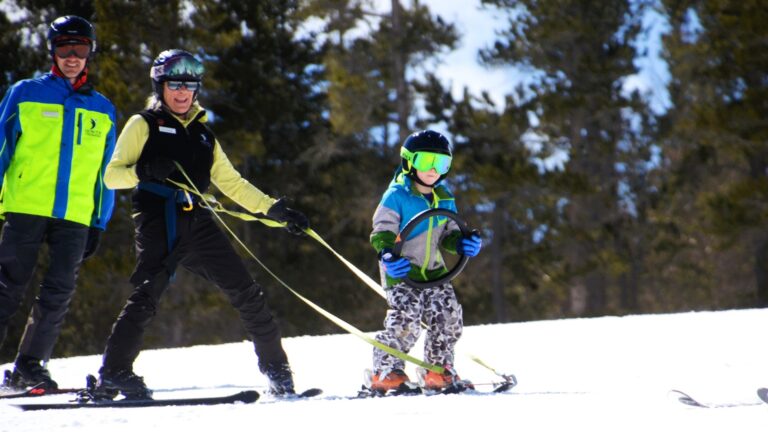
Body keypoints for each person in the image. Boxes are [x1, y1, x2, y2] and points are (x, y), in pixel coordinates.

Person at [96, 49, 309, 399]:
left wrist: (276, 211)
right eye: (174, 84)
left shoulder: (204, 136)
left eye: (189, 85)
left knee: (247, 291)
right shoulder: (143, 124)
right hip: (157, 218)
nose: (182, 92)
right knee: (148, 293)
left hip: (198, 220)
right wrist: (143, 171)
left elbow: (233, 184)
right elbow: (110, 177)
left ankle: (278, 372)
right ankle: (115, 372)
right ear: (160, 87)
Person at [0, 15, 116, 390]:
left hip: (76, 215)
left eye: (79, 48)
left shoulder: (102, 108)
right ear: (52, 50)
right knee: (8, 287)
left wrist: (99, 220)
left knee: (59, 291)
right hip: (26, 207)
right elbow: (2, 149)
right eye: (64, 47)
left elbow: (106, 172)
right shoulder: (25, 93)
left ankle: (30, 367)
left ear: (89, 53)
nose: (71, 56)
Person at [367, 130, 482, 392]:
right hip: (403, 272)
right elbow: (382, 232)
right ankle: (386, 372)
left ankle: (438, 370)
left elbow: (449, 233)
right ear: (409, 161)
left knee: (449, 318)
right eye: (425, 161)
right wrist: (386, 254)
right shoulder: (396, 196)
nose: (433, 170)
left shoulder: (444, 196)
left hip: (435, 273)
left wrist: (461, 242)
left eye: (441, 163)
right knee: (406, 322)